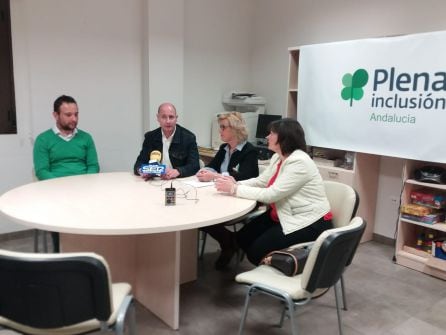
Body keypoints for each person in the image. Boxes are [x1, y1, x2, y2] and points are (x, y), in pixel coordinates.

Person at [215, 118, 332, 266]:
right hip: (283, 213)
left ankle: (290, 266)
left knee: (256, 252)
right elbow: (261, 181)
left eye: (271, 134)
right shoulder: (279, 157)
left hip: (307, 221)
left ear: (284, 138)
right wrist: (234, 183)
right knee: (242, 238)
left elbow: (271, 194)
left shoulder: (299, 162)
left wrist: (234, 189)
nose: (267, 137)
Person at [33, 95, 100, 252]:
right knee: (62, 216)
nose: (74, 119)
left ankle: (91, 250)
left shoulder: (86, 138)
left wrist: (85, 184)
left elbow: (93, 166)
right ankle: (61, 253)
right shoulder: (43, 140)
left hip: (84, 189)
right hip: (57, 191)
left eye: (76, 114)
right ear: (55, 115)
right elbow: (42, 171)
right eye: (68, 115)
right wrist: (64, 187)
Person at [196, 112, 259, 270]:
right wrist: (205, 171)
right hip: (222, 194)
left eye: (223, 127)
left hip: (240, 197)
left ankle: (228, 244)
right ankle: (229, 241)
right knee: (197, 214)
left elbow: (244, 177)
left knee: (206, 217)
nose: (220, 131)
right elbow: (214, 166)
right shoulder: (224, 148)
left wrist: (214, 175)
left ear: (235, 129)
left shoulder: (249, 151)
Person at [134, 102, 199, 179]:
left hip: (179, 180)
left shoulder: (188, 137)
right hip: (156, 180)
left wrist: (178, 171)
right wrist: (142, 171)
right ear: (158, 118)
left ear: (176, 118)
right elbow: (139, 164)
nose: (168, 121)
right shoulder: (150, 137)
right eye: (164, 117)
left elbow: (195, 166)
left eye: (171, 117)